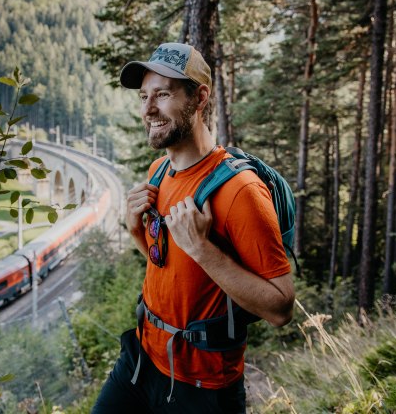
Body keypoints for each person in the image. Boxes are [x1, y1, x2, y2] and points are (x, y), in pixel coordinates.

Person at [91, 43, 295, 413]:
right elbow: (168, 265)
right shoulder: (160, 172)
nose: (148, 109)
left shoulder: (241, 191)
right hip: (141, 360)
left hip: (201, 387)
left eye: (163, 94)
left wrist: (203, 249)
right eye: (144, 96)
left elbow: (281, 308)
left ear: (199, 97)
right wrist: (136, 229)